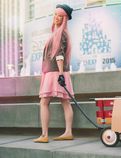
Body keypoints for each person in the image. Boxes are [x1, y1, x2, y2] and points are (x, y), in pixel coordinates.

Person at [33, 4, 74, 143]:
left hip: (56, 72)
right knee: (64, 101)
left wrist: (60, 74)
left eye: (60, 16)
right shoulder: (57, 33)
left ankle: (45, 135)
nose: (56, 17)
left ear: (65, 18)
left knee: (45, 102)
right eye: (55, 14)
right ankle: (67, 132)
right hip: (55, 72)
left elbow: (60, 55)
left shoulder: (61, 33)